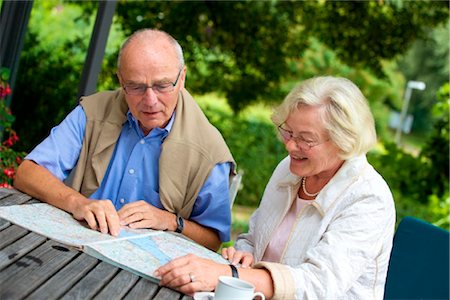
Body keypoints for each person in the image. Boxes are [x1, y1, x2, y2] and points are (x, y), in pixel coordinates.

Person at [155, 76, 396, 299]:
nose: (290, 146)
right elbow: (252, 239)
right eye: (288, 131)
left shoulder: (368, 198)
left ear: (344, 142)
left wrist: (230, 275)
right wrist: (242, 256)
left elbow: (317, 285)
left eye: (305, 139)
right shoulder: (289, 169)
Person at [13, 29, 236, 251]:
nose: (150, 100)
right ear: (121, 80)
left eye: (162, 85)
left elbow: (213, 239)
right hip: (73, 251)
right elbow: (27, 173)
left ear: (182, 78)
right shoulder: (93, 111)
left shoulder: (210, 150)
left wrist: (171, 222)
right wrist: (78, 203)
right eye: (136, 86)